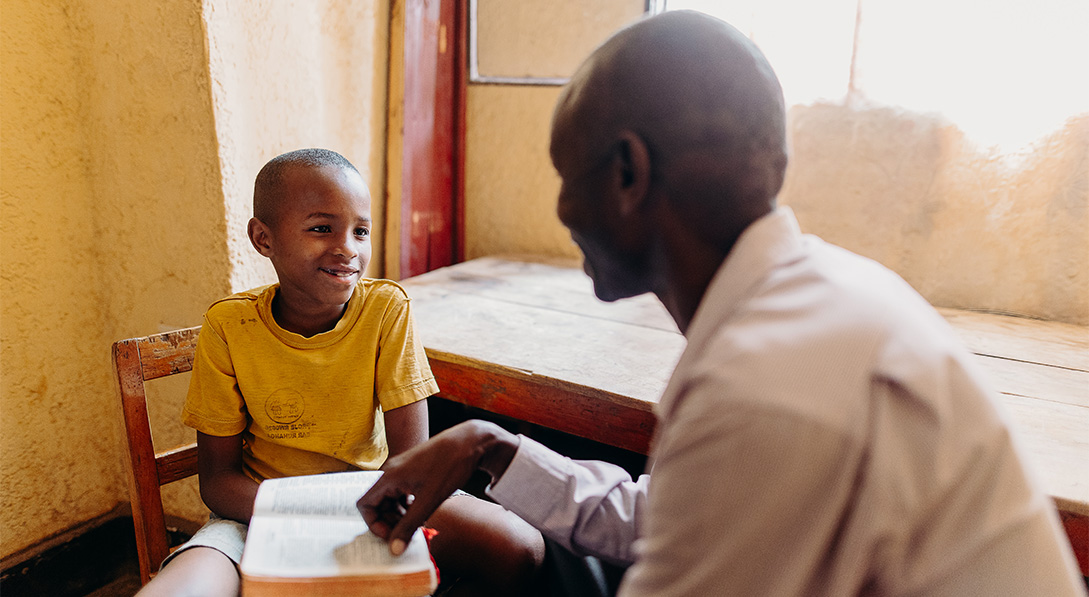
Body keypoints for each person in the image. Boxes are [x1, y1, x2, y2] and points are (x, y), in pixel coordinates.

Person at [358, 11, 1086, 597]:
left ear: (627, 172)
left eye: (563, 174)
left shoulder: (766, 386)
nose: (559, 206)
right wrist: (492, 446)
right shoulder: (812, 300)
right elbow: (678, 517)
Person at [138, 148, 545, 597]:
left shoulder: (386, 310)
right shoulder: (229, 327)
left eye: (361, 231)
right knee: (180, 590)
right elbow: (218, 483)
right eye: (321, 228)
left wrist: (358, 517)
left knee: (518, 547)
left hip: (382, 502)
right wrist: (310, 521)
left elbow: (410, 463)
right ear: (263, 238)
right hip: (258, 515)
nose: (347, 249)